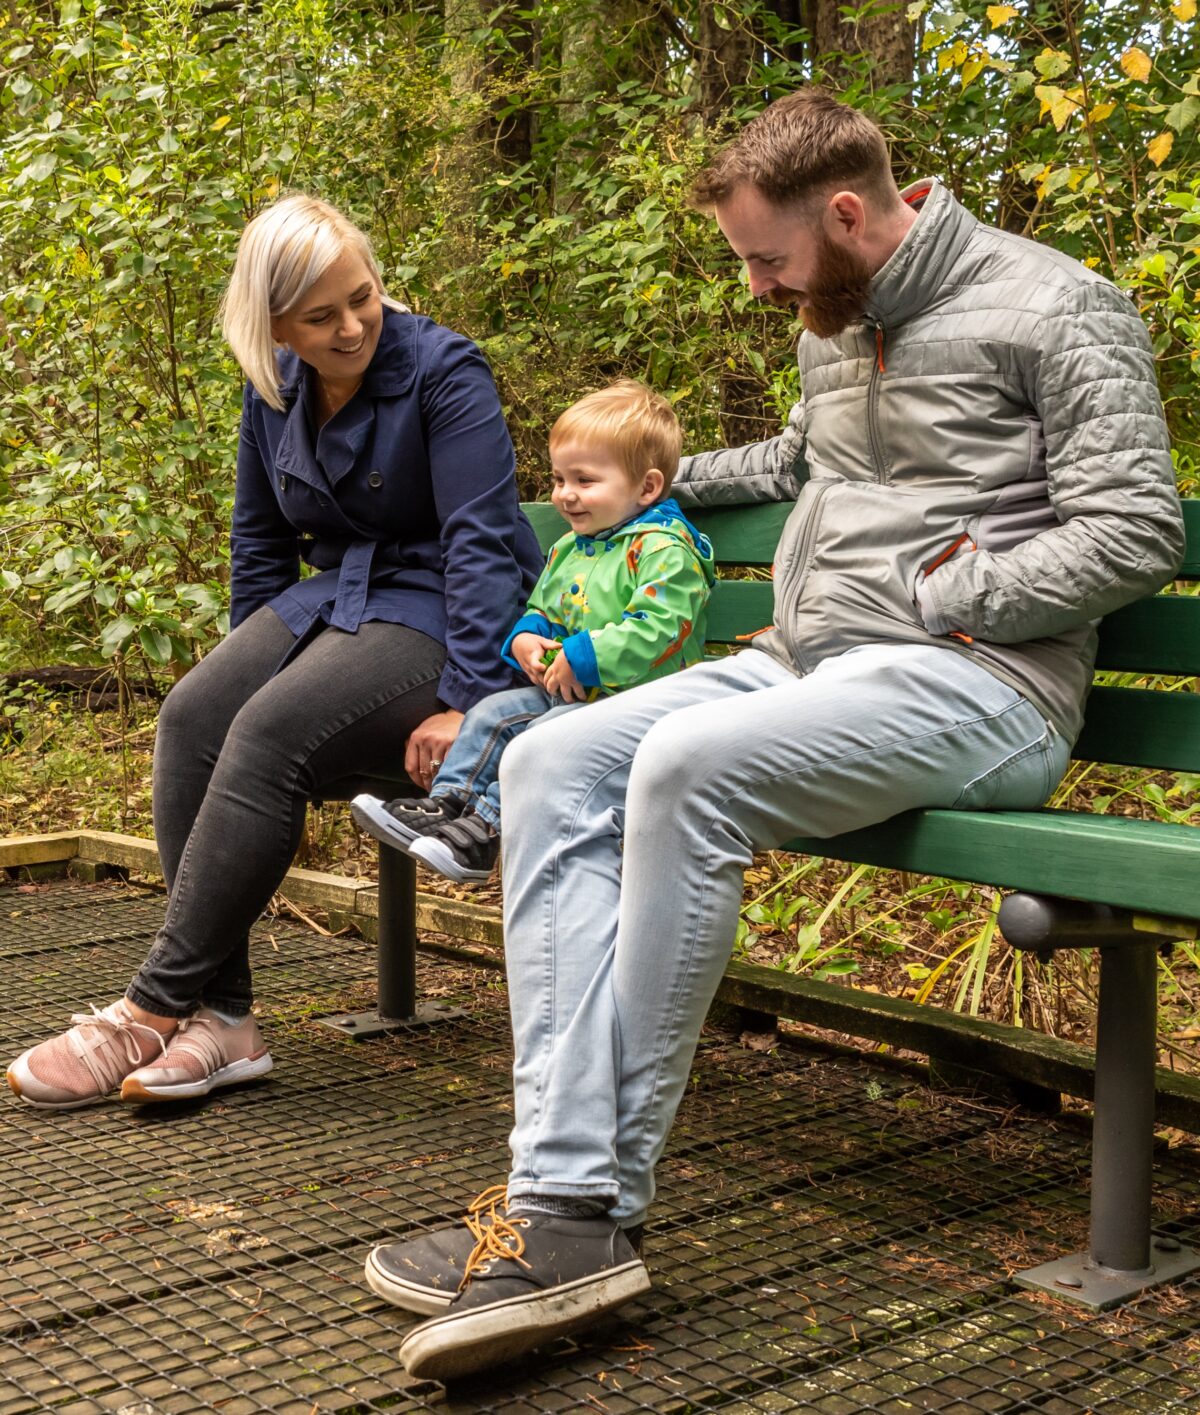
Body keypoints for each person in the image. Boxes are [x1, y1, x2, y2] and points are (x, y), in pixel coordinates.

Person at [362, 89, 1186, 1382]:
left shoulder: (1057, 306)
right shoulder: (838, 318)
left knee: (684, 770)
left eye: (766, 256)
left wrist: (957, 591)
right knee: (547, 757)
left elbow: (1136, 526)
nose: (754, 283)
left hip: (979, 682)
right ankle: (556, 1195)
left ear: (848, 212)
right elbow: (814, 458)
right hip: (805, 665)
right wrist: (655, 484)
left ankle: (579, 1210)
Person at [6, 194, 543, 1108]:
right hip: (328, 602)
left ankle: (151, 1008)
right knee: (196, 716)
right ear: (274, 326)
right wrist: (243, 662)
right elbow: (260, 545)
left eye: (362, 298)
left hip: (436, 610)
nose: (351, 327)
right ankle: (230, 1021)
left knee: (268, 731)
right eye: (320, 315)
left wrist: (473, 702)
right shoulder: (273, 388)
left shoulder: (443, 370)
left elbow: (483, 543)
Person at [349, 379, 715, 883]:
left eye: (584, 481)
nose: (566, 494)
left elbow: (661, 628)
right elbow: (542, 607)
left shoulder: (664, 551)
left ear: (647, 488)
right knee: (490, 713)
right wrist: (525, 637)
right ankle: (447, 810)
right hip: (573, 697)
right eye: (559, 479)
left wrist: (585, 654)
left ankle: (484, 832)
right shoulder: (573, 547)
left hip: (642, 707)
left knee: (537, 740)